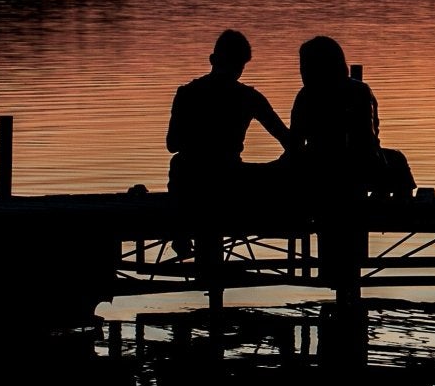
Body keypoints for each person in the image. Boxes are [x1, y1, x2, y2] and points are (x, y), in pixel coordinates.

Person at [289, 36, 412, 297]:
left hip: (321, 174)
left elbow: (296, 143)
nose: (301, 72)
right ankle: (398, 204)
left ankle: (337, 275)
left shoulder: (306, 95)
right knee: (398, 159)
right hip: (355, 174)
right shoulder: (359, 91)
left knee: (393, 159)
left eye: (304, 66)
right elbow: (370, 139)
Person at [166, 28, 293, 203]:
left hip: (187, 182)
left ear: (213, 60)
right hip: (227, 181)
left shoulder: (186, 93)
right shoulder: (249, 98)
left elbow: (172, 145)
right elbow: (288, 141)